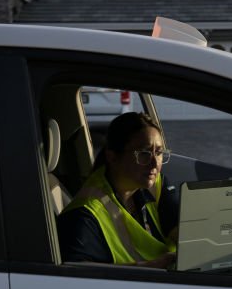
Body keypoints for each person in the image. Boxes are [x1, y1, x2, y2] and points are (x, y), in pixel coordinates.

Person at [58, 112, 178, 268]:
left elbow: (181, 233)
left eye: (159, 152)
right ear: (112, 156)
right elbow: (76, 275)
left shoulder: (157, 185)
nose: (155, 164)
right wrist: (152, 266)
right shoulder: (85, 214)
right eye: (143, 153)